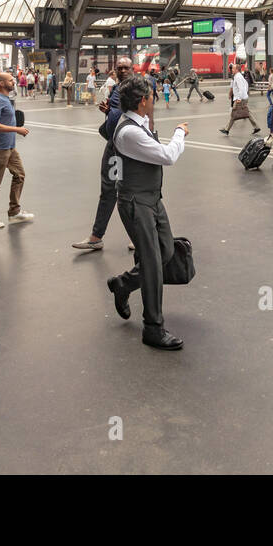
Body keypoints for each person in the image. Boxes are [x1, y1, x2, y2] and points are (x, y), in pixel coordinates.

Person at [104, 76, 190, 350]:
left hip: (151, 199)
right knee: (153, 263)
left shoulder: (138, 124)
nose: (154, 99)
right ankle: (153, 328)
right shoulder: (130, 131)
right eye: (152, 96)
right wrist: (179, 132)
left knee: (165, 252)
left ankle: (123, 284)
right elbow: (168, 156)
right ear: (143, 101)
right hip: (137, 203)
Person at [71, 57, 140, 252]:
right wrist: (108, 112)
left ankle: (139, 235)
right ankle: (96, 236)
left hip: (129, 148)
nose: (123, 70)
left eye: (126, 67)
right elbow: (119, 113)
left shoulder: (136, 87)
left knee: (130, 192)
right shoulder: (118, 88)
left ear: (132, 68)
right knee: (109, 190)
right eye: (120, 68)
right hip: (114, 149)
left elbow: (143, 114)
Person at [0, 72, 33, 230]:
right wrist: (17, 129)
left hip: (10, 147)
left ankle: (14, 211)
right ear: (1, 83)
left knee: (19, 175)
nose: (13, 81)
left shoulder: (5, 99)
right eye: (10, 80)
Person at [219, 64, 262, 136]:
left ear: (236, 70)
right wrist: (245, 94)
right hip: (243, 97)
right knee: (247, 113)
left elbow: (241, 88)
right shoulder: (238, 76)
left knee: (234, 113)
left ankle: (226, 129)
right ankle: (257, 127)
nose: (231, 70)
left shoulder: (238, 77)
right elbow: (246, 85)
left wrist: (239, 98)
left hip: (240, 99)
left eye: (233, 69)